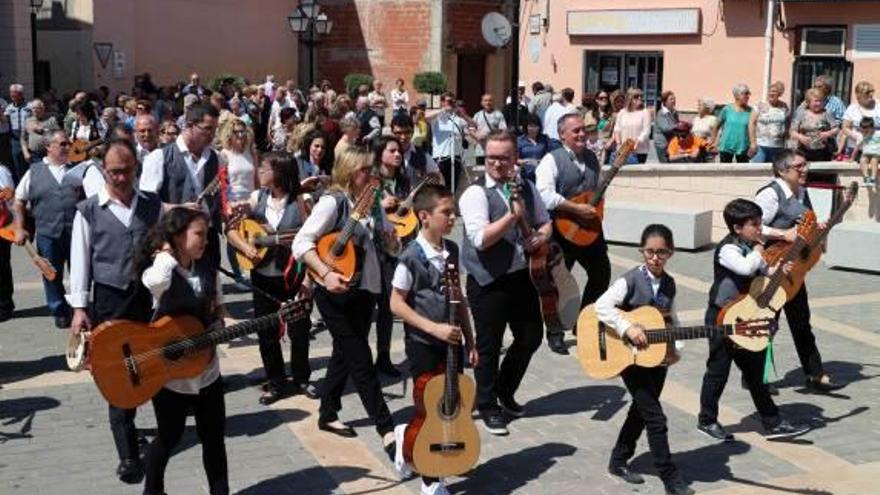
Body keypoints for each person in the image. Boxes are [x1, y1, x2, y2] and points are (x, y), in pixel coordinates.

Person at [291, 146, 401, 458]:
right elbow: (302, 242)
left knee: (344, 351)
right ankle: (387, 429)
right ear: (350, 171)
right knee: (360, 358)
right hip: (334, 292)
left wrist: (391, 239)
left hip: (365, 288)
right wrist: (324, 273)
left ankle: (328, 411)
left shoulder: (372, 203)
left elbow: (389, 240)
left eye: (372, 169)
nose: (372, 175)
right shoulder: (332, 201)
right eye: (366, 170)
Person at [67, 139, 161, 484]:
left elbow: (167, 250)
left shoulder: (152, 206)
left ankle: (159, 432)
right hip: (108, 299)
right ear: (104, 170)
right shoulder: (89, 210)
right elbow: (80, 260)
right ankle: (127, 457)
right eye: (115, 171)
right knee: (116, 375)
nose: (121, 178)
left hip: (147, 300)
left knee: (152, 366)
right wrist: (78, 307)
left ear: (137, 168)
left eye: (127, 170)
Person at [459, 130, 551, 435]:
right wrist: (512, 218)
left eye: (503, 158)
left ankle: (504, 390)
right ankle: (486, 405)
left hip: (521, 275)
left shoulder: (526, 185)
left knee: (531, 336)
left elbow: (544, 220)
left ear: (515, 159)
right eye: (491, 158)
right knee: (488, 346)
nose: (496, 164)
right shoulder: (475, 193)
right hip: (488, 281)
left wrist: (543, 235)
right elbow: (480, 239)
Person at [697, 198, 811, 443]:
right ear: (737, 228)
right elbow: (747, 268)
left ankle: (773, 422)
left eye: (760, 223)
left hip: (746, 317)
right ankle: (707, 420)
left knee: (755, 371)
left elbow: (762, 272)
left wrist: (779, 269)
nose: (759, 228)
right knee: (718, 370)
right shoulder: (728, 249)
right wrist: (760, 250)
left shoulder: (749, 243)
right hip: (721, 317)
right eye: (754, 224)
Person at [389, 183, 478, 495]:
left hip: (452, 342)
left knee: (452, 404)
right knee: (429, 408)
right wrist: (433, 328)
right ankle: (431, 479)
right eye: (446, 212)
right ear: (424, 217)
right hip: (424, 343)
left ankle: (408, 440)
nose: (453, 218)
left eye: (453, 212)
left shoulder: (451, 250)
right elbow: (396, 303)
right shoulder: (411, 256)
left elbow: (459, 298)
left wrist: (470, 339)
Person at [595, 224, 692, 495]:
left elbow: (672, 318)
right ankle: (669, 476)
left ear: (670, 253)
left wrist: (676, 349)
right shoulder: (629, 280)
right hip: (628, 357)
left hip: (657, 356)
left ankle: (618, 460)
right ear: (641, 251)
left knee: (641, 410)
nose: (655, 257)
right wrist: (628, 328)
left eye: (661, 252)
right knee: (656, 418)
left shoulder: (670, 283)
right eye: (650, 251)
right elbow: (601, 306)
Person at [138, 207, 228, 495]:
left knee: (214, 438)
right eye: (198, 234)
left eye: (206, 234)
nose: (205, 241)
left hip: (207, 370)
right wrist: (166, 254)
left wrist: (217, 327)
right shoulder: (162, 269)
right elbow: (153, 283)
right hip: (171, 374)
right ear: (178, 236)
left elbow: (219, 311)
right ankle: (153, 491)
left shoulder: (209, 269)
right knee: (169, 436)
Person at [227, 152, 315, 403]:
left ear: (279, 172)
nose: (259, 172)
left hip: (294, 275)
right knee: (266, 332)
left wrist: (309, 280)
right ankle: (276, 382)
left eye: (264, 168)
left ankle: (301, 378)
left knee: (299, 329)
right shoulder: (257, 198)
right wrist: (245, 248)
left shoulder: (302, 200)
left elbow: (315, 240)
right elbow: (231, 229)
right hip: (263, 276)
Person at [756, 150, 842, 391]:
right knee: (765, 323)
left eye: (806, 164)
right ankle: (755, 377)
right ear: (783, 171)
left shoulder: (802, 191)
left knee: (801, 322)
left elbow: (808, 223)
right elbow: (752, 227)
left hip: (794, 269)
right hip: (771, 268)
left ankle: (815, 374)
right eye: (799, 166)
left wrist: (819, 229)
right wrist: (782, 234)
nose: (805, 169)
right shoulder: (770, 195)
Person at [536, 113, 610, 354]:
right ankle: (555, 333)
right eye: (576, 131)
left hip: (589, 230)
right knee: (557, 283)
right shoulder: (551, 160)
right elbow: (544, 195)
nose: (582, 134)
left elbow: (594, 190)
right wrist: (575, 207)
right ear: (562, 135)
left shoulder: (592, 158)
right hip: (561, 231)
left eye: (583, 130)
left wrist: (594, 209)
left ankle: (583, 322)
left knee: (601, 275)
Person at [12, 131, 83, 328]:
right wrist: (19, 228)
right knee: (51, 273)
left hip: (76, 233)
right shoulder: (34, 171)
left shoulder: (78, 169)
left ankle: (80, 309)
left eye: (68, 143)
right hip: (48, 233)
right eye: (62, 144)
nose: (67, 147)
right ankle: (59, 310)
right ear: (48, 147)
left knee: (79, 273)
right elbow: (18, 202)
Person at [141, 103, 223, 271]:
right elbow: (145, 204)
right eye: (207, 129)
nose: (212, 135)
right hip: (173, 240)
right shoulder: (159, 157)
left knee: (209, 293)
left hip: (207, 239)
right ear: (190, 125)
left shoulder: (217, 158)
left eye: (215, 129)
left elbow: (221, 197)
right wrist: (177, 208)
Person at [373, 135, 409, 377]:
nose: (397, 154)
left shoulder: (403, 180)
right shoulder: (372, 181)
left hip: (401, 248)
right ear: (380, 154)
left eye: (399, 151)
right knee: (380, 304)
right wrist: (379, 205)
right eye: (392, 150)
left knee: (395, 305)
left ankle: (386, 357)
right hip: (376, 249)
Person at [219, 117, 257, 289]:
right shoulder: (224, 155)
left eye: (243, 131)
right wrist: (226, 204)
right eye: (236, 132)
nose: (240, 135)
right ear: (229, 134)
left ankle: (247, 266)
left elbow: (256, 178)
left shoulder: (251, 152)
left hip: (250, 199)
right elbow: (222, 182)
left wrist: (256, 198)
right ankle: (237, 274)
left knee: (249, 234)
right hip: (233, 200)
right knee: (233, 236)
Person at [427, 93, 476, 193]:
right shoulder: (437, 117)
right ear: (442, 102)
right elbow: (425, 117)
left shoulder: (458, 119)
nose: (451, 104)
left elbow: (473, 124)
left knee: (452, 189)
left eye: (452, 101)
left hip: (456, 157)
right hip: (441, 157)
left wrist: (462, 114)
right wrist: (443, 109)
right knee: (440, 188)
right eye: (448, 101)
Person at [390, 114, 442, 185]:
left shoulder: (423, 155)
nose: (403, 137)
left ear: (413, 132)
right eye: (398, 133)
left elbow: (439, 178)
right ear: (392, 133)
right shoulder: (384, 154)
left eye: (407, 132)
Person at [790, 88, 838, 162]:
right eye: (816, 101)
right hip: (804, 150)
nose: (818, 103)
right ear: (808, 102)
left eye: (821, 101)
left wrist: (828, 133)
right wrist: (800, 137)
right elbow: (792, 131)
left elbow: (836, 129)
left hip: (823, 151)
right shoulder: (801, 113)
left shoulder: (827, 113)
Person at [712, 84, 754, 163]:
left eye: (748, 94)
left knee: (743, 172)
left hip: (743, 146)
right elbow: (716, 125)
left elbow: (754, 129)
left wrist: (753, 144)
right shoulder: (727, 109)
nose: (748, 96)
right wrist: (713, 141)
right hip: (726, 145)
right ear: (737, 95)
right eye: (745, 93)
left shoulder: (751, 111)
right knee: (724, 171)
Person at [749, 82, 790, 164]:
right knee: (757, 170)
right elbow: (751, 124)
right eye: (770, 91)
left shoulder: (784, 106)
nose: (771, 93)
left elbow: (787, 124)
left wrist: (787, 142)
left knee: (774, 171)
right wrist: (753, 143)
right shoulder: (759, 106)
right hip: (761, 145)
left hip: (778, 146)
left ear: (780, 94)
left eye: (774, 91)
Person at [612, 88, 653, 164]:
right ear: (630, 98)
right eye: (636, 96)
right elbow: (617, 129)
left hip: (639, 150)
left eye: (641, 96)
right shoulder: (622, 112)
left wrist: (638, 141)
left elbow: (646, 130)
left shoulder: (645, 112)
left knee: (636, 174)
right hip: (624, 150)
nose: (640, 98)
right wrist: (618, 144)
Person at [838, 81, 877, 158]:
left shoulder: (878, 105)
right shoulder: (852, 108)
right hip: (855, 148)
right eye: (867, 92)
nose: (871, 94)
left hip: (876, 147)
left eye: (872, 91)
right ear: (859, 95)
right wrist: (856, 136)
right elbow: (845, 127)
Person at [3, 84, 34, 181]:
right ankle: (20, 185)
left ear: (21, 94)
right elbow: (4, 120)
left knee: (29, 161)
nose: (13, 97)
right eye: (11, 95)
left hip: (28, 136)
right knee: (17, 163)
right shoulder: (9, 108)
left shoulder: (29, 106)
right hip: (15, 138)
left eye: (15, 95)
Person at [21, 99, 61, 164]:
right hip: (34, 155)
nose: (35, 110)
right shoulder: (28, 121)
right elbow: (23, 138)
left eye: (37, 108)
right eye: (33, 108)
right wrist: (25, 152)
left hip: (48, 153)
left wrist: (43, 130)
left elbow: (58, 136)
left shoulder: (51, 120)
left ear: (43, 109)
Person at [473, 94, 507, 167]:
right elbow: (471, 129)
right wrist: (476, 136)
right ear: (481, 103)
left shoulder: (499, 115)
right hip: (480, 150)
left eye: (490, 100)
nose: (487, 103)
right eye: (485, 101)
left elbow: (503, 131)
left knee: (494, 171)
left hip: (494, 150)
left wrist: (489, 135)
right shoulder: (477, 115)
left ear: (493, 102)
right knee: (480, 171)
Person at [516, 113, 551, 182]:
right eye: (531, 126)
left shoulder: (544, 139)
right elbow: (515, 159)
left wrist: (540, 161)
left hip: (542, 174)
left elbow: (549, 156)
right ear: (526, 127)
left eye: (536, 126)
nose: (534, 129)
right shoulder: (520, 140)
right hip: (526, 175)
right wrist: (525, 161)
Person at [0, 161, 14, 322]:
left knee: (1, 267)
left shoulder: (2, 171)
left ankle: (5, 305)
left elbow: (10, 196)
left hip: (2, 227)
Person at [653, 91, 679, 163]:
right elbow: (666, 128)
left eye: (674, 99)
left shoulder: (674, 112)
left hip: (671, 144)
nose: (674, 101)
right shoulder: (661, 113)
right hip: (662, 144)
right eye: (671, 99)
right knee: (665, 164)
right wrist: (678, 126)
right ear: (665, 102)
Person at [854, 117, 880, 185]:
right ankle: (866, 178)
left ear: (872, 127)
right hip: (866, 154)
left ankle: (873, 179)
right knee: (862, 160)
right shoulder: (861, 135)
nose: (865, 130)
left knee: (874, 160)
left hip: (877, 154)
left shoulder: (878, 134)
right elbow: (857, 147)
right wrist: (852, 158)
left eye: (867, 128)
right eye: (863, 128)